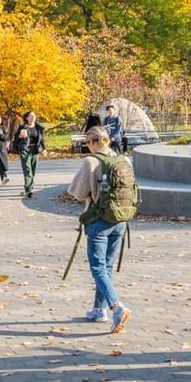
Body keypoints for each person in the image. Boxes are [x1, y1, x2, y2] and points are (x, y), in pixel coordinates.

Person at [67, 125, 134, 332]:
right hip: (121, 220)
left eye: (87, 143)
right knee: (106, 267)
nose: (87, 147)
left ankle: (116, 306)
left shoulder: (91, 161)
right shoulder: (123, 160)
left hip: (98, 221)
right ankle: (99, 309)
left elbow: (76, 192)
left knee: (98, 268)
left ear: (95, 142)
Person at [12, 111, 46, 198]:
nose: (32, 117)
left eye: (34, 115)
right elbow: (16, 138)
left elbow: (41, 139)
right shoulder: (22, 127)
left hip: (35, 150)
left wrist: (44, 149)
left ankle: (29, 186)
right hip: (25, 149)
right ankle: (28, 190)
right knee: (27, 170)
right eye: (30, 116)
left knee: (33, 170)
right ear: (27, 118)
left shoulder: (38, 128)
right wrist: (20, 136)